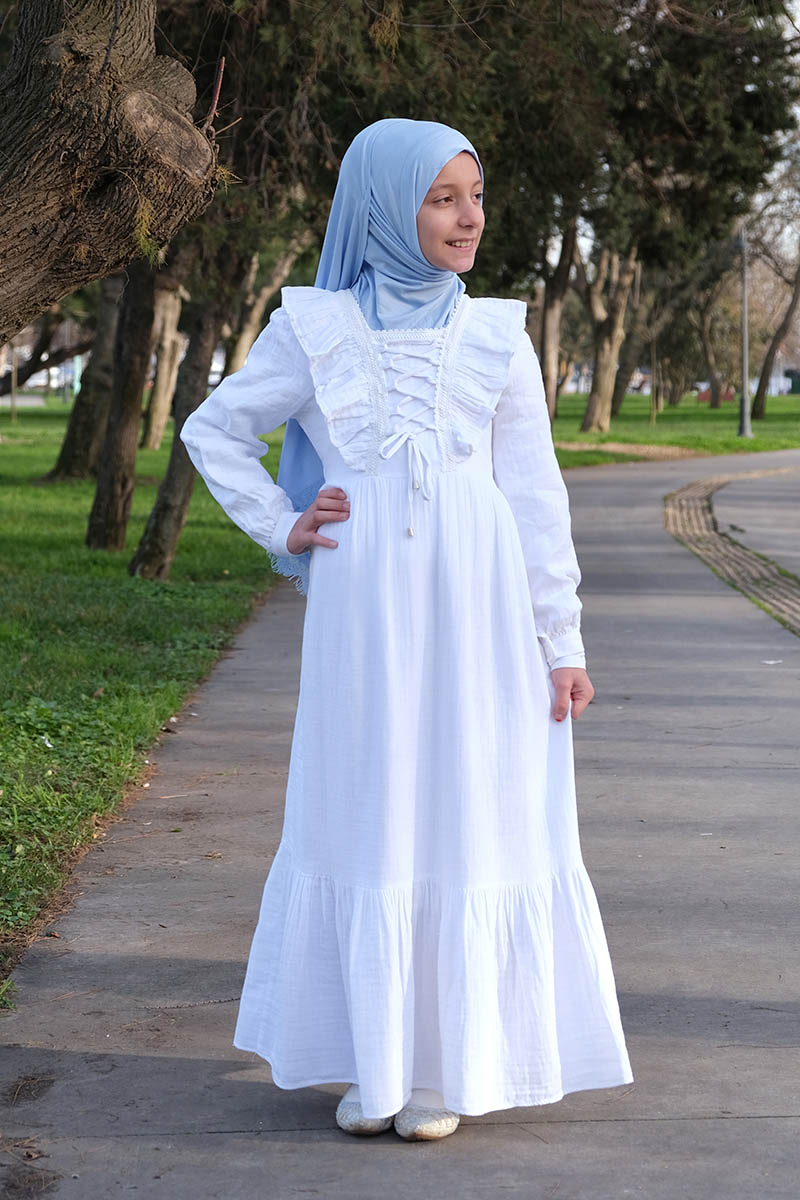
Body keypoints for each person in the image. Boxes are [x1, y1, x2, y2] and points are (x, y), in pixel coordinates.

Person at [180, 117, 633, 1142]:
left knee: (469, 808)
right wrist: (281, 525)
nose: (469, 219)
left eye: (475, 197)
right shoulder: (315, 329)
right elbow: (214, 430)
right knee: (370, 807)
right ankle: (373, 1062)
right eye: (441, 199)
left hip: (483, 621)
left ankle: (441, 1072)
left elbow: (535, 497)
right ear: (385, 209)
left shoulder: (497, 337)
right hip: (365, 617)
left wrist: (561, 643)